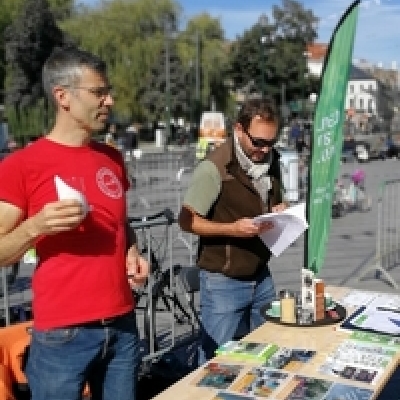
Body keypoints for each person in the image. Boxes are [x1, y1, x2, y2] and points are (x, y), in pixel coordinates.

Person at [0, 46, 149, 400]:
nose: (109, 100)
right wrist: (36, 227)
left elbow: (119, 222)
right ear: (62, 96)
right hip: (61, 336)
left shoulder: (112, 157)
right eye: (99, 92)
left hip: (123, 325)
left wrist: (132, 250)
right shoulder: (21, 166)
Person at [178, 97, 288, 364]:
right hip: (223, 281)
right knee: (218, 361)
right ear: (239, 130)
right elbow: (187, 221)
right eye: (258, 142)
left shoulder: (271, 160)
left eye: (271, 143)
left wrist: (280, 208)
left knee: (266, 352)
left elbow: (272, 200)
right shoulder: (213, 168)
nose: (264, 150)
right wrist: (232, 230)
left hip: (261, 274)